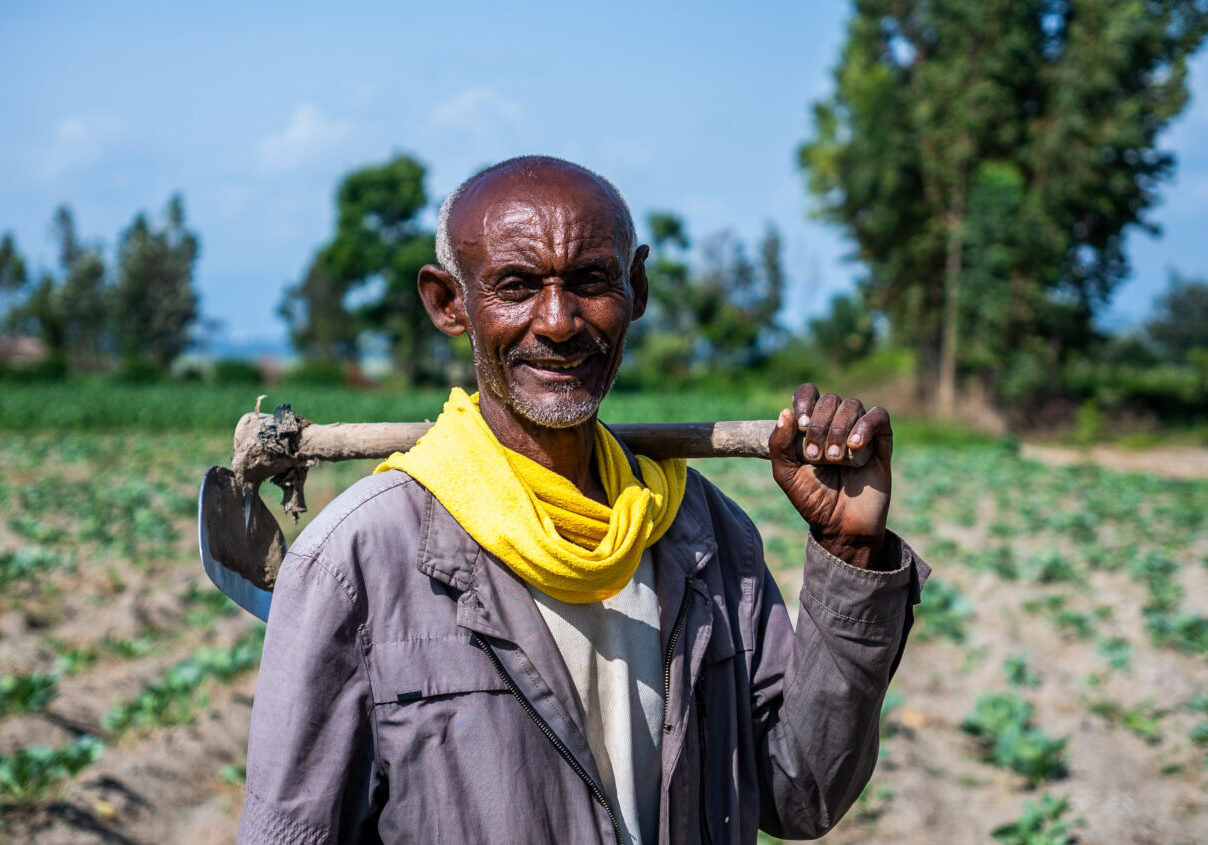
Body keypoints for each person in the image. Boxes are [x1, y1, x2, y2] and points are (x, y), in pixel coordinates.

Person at [238, 156, 929, 844]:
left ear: (636, 287)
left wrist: (851, 548)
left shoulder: (702, 534)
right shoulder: (358, 561)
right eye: (515, 285)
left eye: (591, 281)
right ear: (449, 303)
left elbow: (799, 792)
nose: (559, 321)